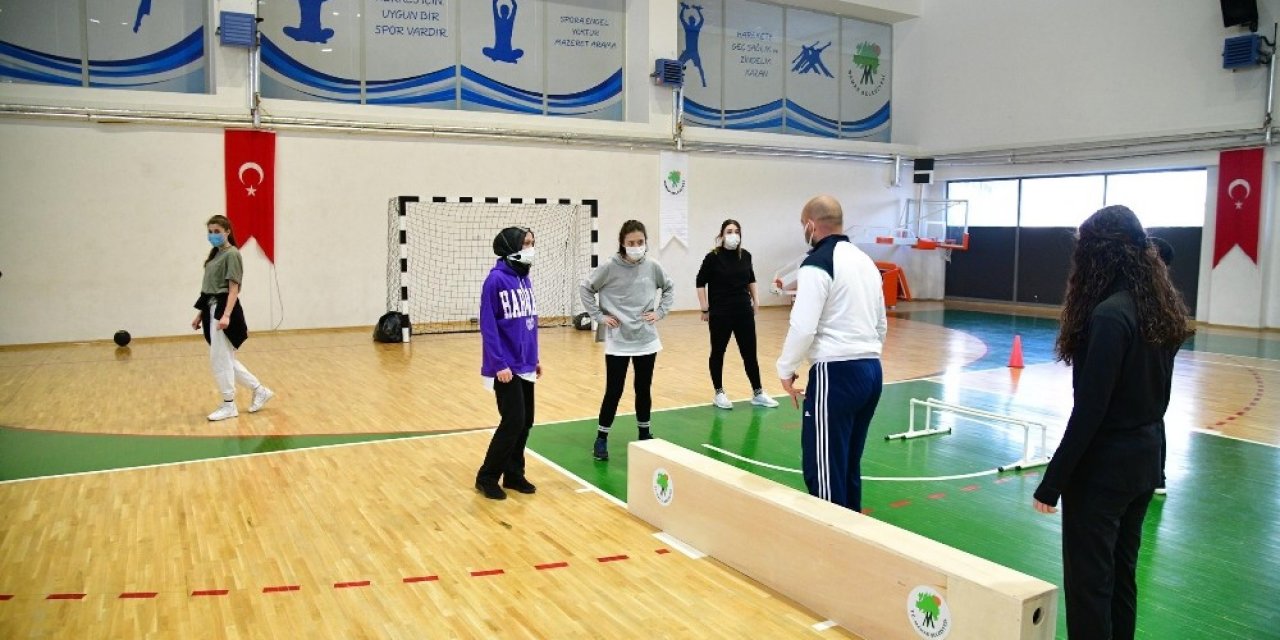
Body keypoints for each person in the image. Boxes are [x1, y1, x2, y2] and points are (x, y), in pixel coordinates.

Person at [1032, 206, 1191, 640]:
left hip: (1105, 469)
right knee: (1122, 577)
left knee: (1089, 586)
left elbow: (1091, 410)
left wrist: (1053, 481)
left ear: (1098, 255)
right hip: (1145, 462)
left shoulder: (1109, 315)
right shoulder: (1159, 307)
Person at [776, 196, 887, 512]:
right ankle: (851, 539)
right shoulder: (866, 261)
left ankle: (831, 547)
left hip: (836, 375)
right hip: (871, 370)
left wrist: (786, 369)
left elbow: (803, 327)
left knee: (822, 470)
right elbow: (881, 324)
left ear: (811, 224)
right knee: (848, 465)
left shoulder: (817, 262)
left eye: (802, 225)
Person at [580, 220, 675, 462]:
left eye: (640, 242)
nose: (636, 247)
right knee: (614, 390)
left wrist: (659, 312)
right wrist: (599, 317)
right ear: (622, 244)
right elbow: (586, 288)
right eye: (631, 243)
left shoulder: (653, 266)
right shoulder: (609, 267)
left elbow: (669, 287)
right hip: (619, 341)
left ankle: (644, 434)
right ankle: (601, 438)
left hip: (646, 339)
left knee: (643, 388)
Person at [475, 227, 541, 500]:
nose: (530, 248)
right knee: (512, 420)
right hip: (505, 366)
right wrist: (499, 363)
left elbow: (529, 324)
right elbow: (488, 327)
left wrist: (534, 358)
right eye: (525, 243)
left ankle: (514, 474)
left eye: (532, 243)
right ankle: (487, 476)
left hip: (525, 364)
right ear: (510, 245)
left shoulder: (525, 279)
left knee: (526, 421)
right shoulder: (495, 281)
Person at [192, 215, 273, 421]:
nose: (212, 235)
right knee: (225, 359)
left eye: (217, 231)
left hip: (224, 311)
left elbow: (233, 289)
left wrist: (226, 315)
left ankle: (229, 404)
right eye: (210, 231)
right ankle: (259, 390)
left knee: (219, 359)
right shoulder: (215, 255)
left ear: (227, 231)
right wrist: (200, 314)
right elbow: (209, 290)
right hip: (211, 310)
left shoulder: (232, 254)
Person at [695, 219, 778, 410]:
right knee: (718, 352)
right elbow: (700, 282)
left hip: (743, 311)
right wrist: (704, 308)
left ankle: (758, 392)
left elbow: (751, 279)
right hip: (720, 313)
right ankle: (719, 392)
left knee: (749, 353)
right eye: (729, 231)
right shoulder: (713, 257)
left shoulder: (746, 256)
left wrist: (756, 300)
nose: (733, 235)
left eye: (736, 231)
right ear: (722, 235)